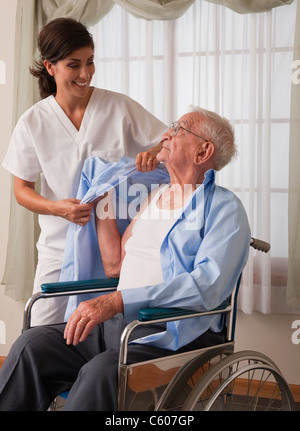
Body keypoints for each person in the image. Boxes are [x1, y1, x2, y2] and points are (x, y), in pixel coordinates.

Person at [0, 107, 251, 411]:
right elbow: (114, 264)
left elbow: (205, 287)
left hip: (169, 333)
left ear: (203, 151)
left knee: (101, 373)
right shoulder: (154, 197)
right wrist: (103, 192)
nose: (166, 134)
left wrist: (116, 301)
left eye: (180, 129)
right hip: (118, 327)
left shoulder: (225, 209)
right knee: (32, 347)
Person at [1, 18, 167, 325]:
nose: (85, 74)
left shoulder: (118, 107)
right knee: (39, 333)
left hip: (112, 253)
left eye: (90, 62)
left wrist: (152, 153)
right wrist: (56, 208)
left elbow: (170, 141)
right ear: (50, 67)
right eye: (73, 65)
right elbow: (21, 190)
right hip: (58, 248)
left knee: (102, 337)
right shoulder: (33, 122)